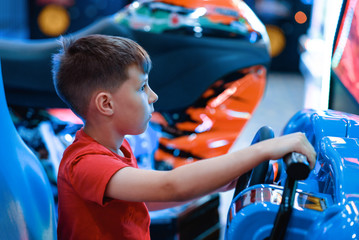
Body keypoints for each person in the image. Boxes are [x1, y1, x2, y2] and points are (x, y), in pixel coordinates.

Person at [52, 34, 316, 240]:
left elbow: (147, 199)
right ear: (106, 104)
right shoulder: (86, 163)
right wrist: (265, 150)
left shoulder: (114, 148)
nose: (153, 96)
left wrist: (217, 184)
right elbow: (171, 185)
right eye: (142, 87)